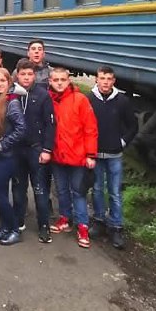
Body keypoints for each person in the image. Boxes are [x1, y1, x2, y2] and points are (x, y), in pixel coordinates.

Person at [47, 67, 98, 248]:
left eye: (63, 79)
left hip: (78, 156)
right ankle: (65, 218)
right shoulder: (48, 100)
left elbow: (90, 128)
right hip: (57, 155)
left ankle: (82, 226)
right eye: (56, 80)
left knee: (78, 191)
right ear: (50, 81)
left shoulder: (80, 100)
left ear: (68, 81)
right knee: (61, 190)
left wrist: (91, 154)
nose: (59, 83)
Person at [87, 65, 137, 249]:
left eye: (109, 79)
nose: (105, 82)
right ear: (96, 79)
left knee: (115, 191)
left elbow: (133, 126)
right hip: (95, 153)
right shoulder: (90, 99)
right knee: (97, 189)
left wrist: (122, 142)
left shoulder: (122, 101)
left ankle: (116, 226)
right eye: (102, 78)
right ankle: (99, 220)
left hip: (114, 154)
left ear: (114, 81)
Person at [11, 59, 55, 244]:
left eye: (30, 74)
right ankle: (18, 220)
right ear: (17, 75)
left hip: (36, 149)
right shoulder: (12, 94)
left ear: (35, 76)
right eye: (23, 74)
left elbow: (50, 124)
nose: (26, 78)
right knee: (18, 188)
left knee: (40, 189)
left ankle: (43, 225)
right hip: (17, 150)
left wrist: (47, 149)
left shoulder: (43, 95)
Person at [0, 69, 27, 246]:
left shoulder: (12, 102)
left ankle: (14, 230)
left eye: (3, 80)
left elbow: (21, 129)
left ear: (9, 81)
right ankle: (3, 228)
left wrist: (3, 144)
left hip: (7, 156)